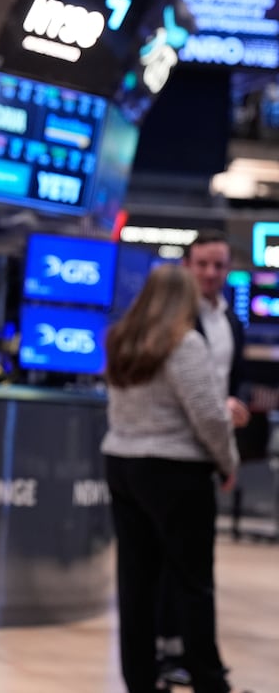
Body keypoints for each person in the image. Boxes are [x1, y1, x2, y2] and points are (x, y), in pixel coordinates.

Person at [103, 263, 241, 693]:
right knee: (192, 583)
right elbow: (208, 416)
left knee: (136, 583)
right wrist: (227, 463)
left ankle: (140, 681)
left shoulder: (122, 340)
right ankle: (209, 681)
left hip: (123, 465)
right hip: (176, 471)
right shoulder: (183, 344)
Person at [157, 230, 253, 685]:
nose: (211, 274)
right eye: (203, 265)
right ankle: (172, 652)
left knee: (194, 563)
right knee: (171, 561)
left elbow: (228, 387)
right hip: (170, 451)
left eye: (219, 266)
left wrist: (226, 452)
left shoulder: (231, 323)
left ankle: (188, 654)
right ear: (187, 266)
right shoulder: (168, 321)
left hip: (209, 449)